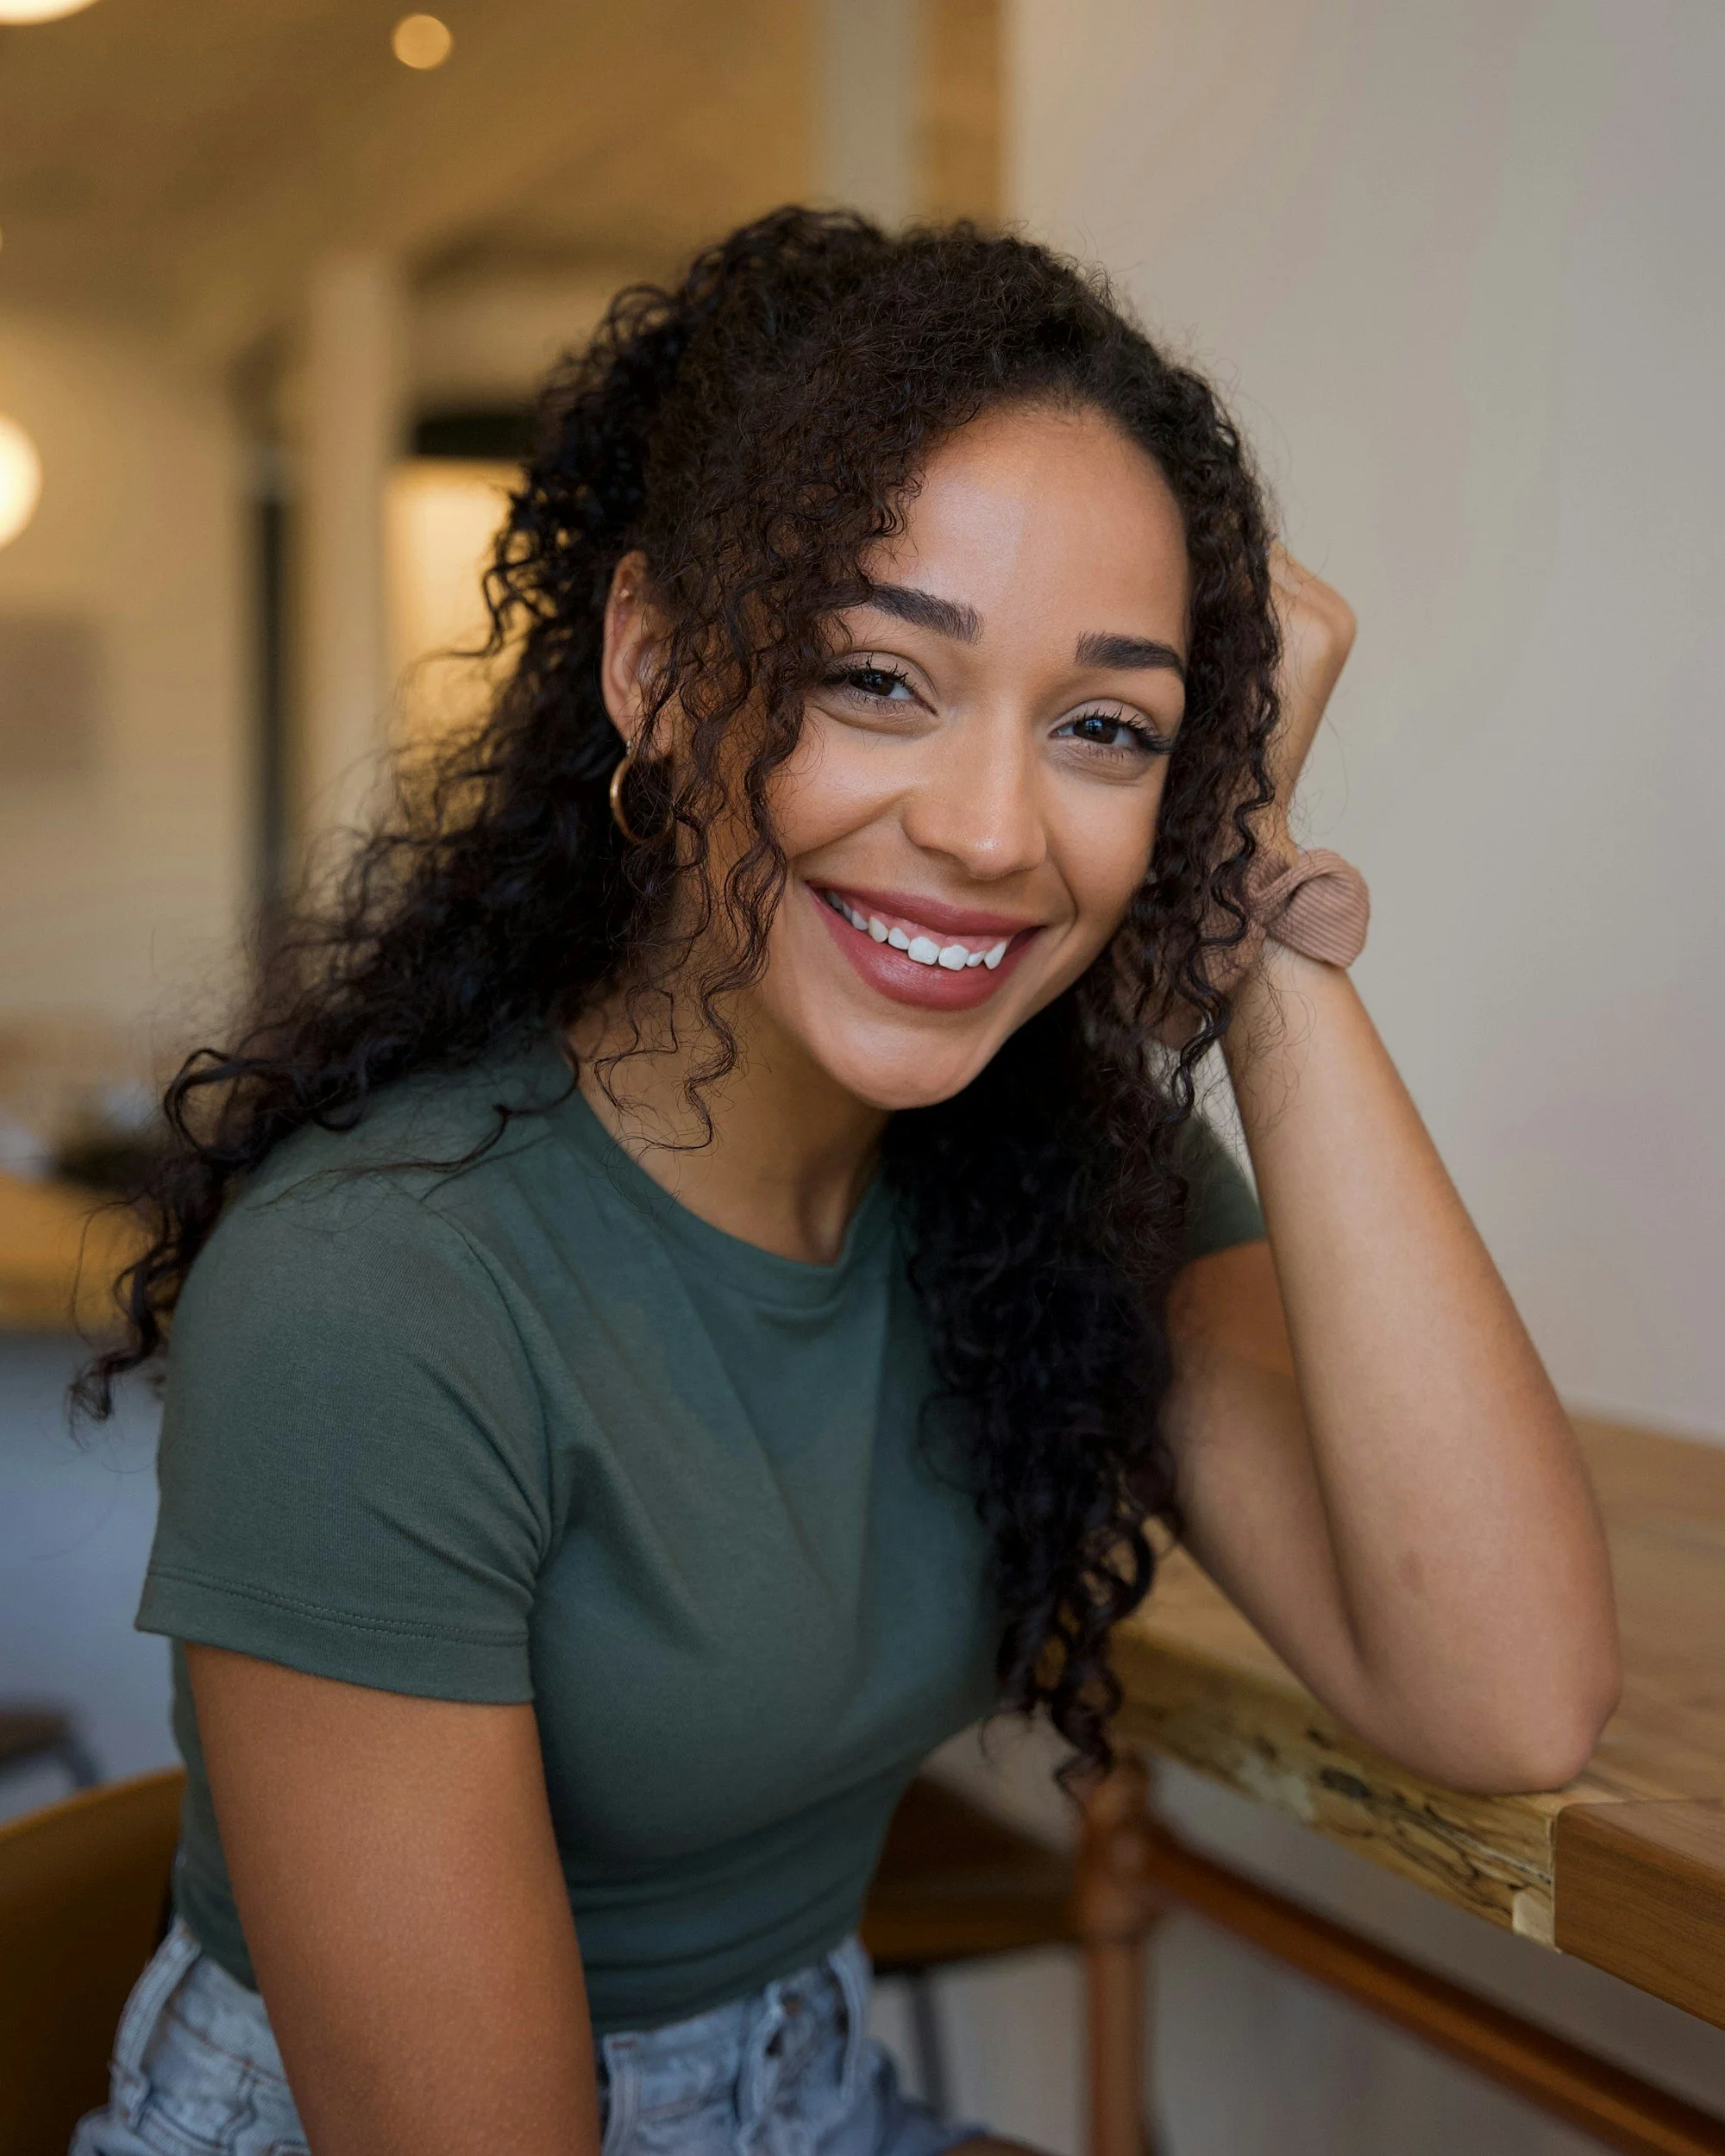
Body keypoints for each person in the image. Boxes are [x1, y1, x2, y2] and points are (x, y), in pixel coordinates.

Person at [72, 209, 1618, 2156]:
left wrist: (1246, 916)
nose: (986, 829)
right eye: (878, 678)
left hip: (808, 2095)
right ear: (650, 664)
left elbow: (1503, 1689)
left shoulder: (1048, 1184)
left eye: (1107, 728)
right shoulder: (377, 1292)